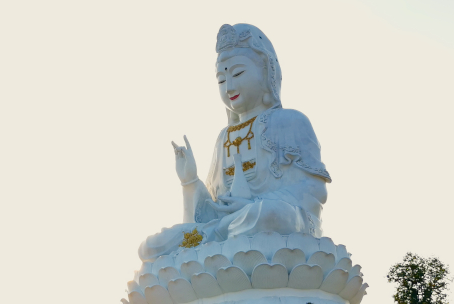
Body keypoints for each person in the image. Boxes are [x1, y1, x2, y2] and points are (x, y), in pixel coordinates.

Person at [139, 23, 331, 261]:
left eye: (238, 74)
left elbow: (314, 191)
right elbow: (211, 212)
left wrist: (251, 205)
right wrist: (189, 181)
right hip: (227, 228)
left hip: (278, 223)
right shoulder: (223, 138)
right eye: (221, 80)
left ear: (265, 73)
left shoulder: (290, 121)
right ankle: (217, 249)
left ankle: (220, 249)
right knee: (151, 247)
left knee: (268, 215)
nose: (229, 87)